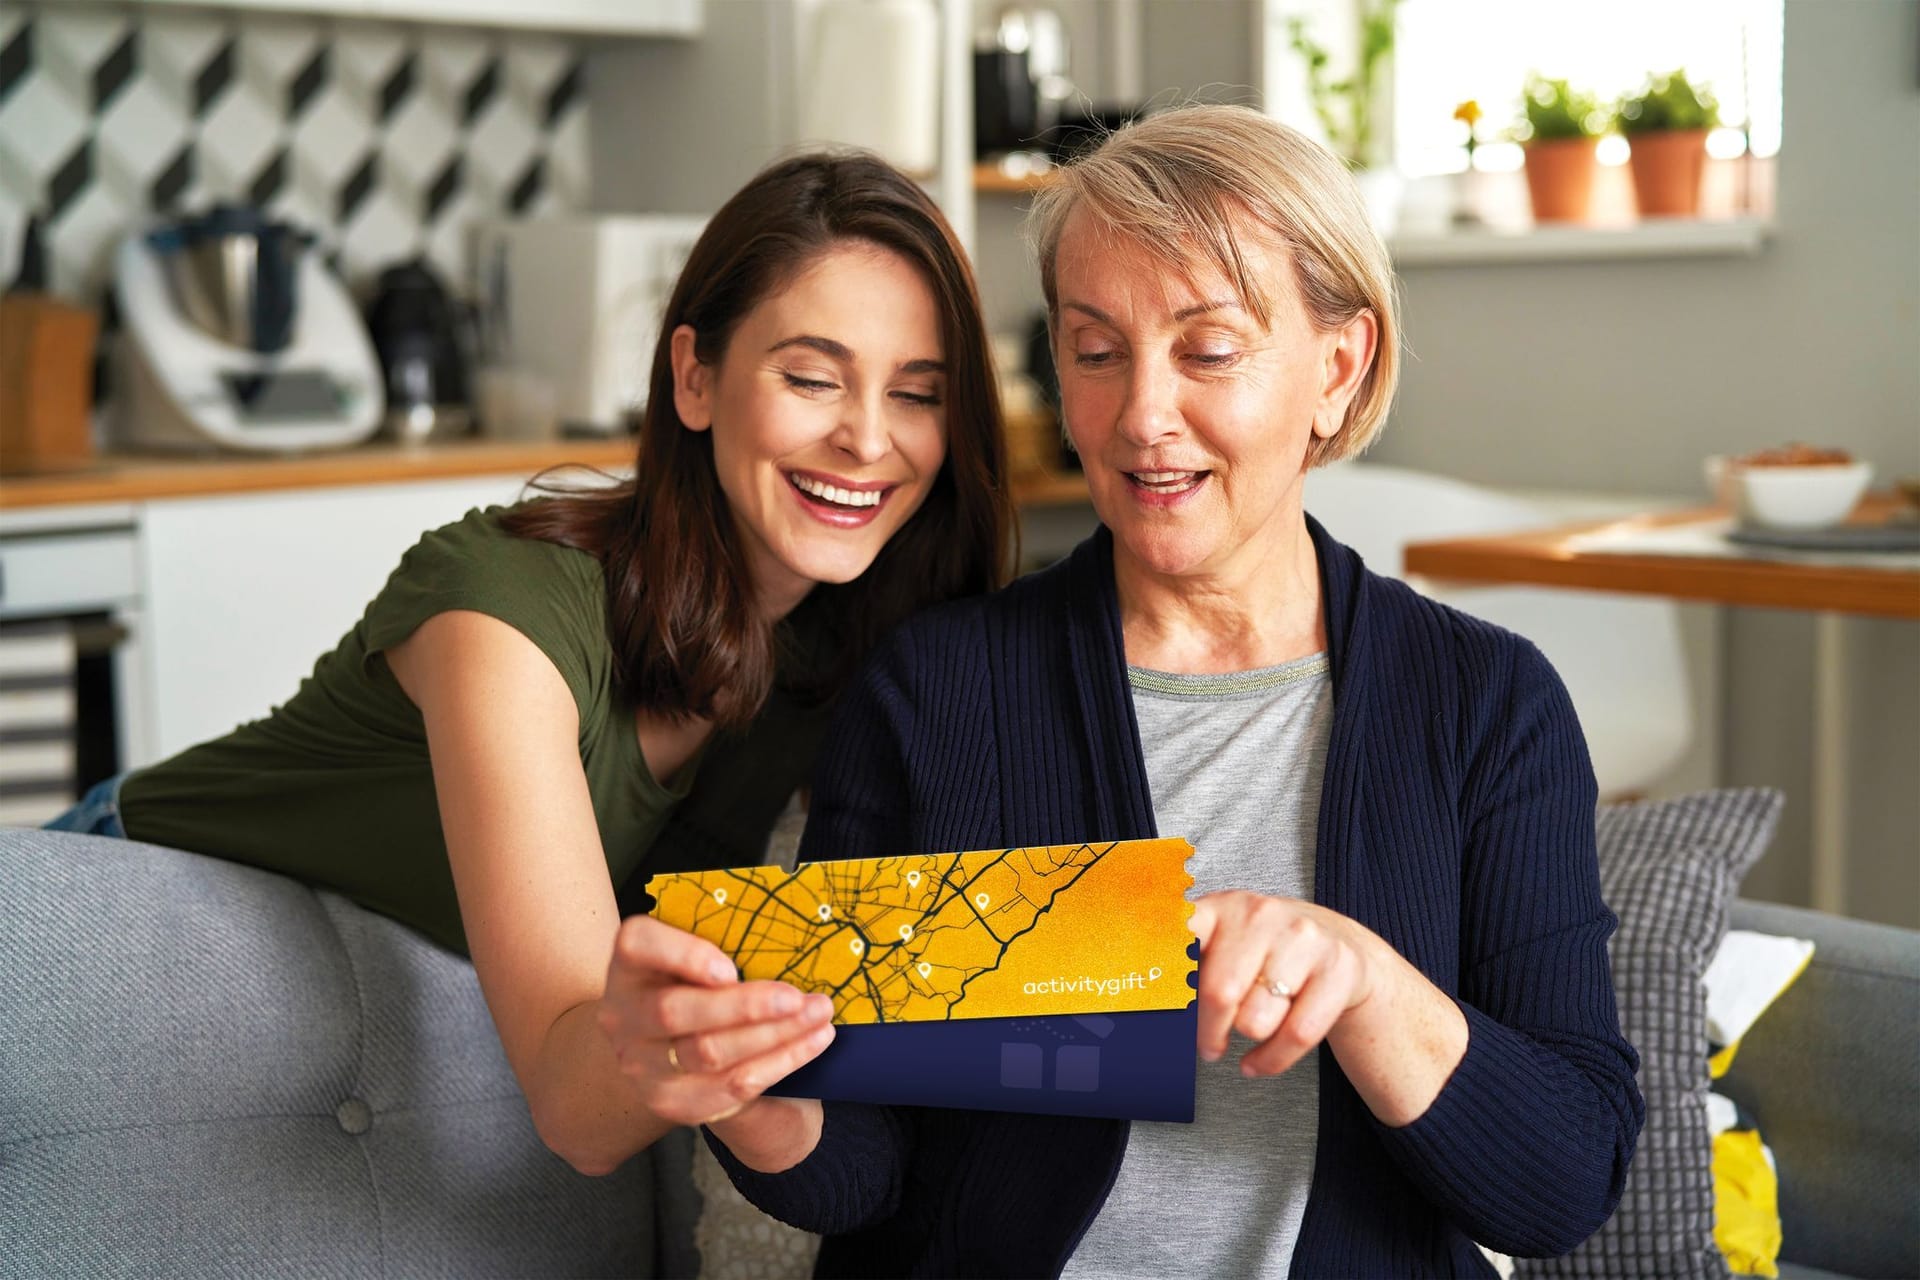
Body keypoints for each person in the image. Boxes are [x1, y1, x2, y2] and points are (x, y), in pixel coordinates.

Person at [599, 106, 1643, 1275]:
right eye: (1095, 351)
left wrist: (1363, 982)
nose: (1142, 416)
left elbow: (1562, 1177)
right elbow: (869, 1165)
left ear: (1337, 370)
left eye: (1207, 350)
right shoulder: (936, 686)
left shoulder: (1486, 704)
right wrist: (742, 1086)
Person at [46, 150, 1014, 1179]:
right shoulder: (501, 613)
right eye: (813, 378)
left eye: (916, 394)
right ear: (694, 376)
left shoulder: (853, 643)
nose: (868, 438)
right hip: (116, 940)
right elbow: (577, 1106)